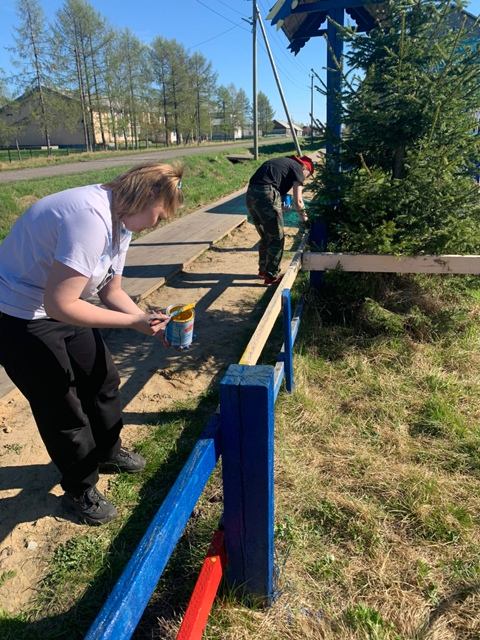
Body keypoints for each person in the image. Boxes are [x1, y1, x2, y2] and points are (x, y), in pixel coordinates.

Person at [0, 162, 184, 525]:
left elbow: (110, 290)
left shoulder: (122, 220)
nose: (157, 223)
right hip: (19, 314)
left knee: (101, 377)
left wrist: (148, 322)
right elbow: (60, 304)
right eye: (159, 215)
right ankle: (80, 487)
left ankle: (107, 450)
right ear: (145, 195)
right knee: (61, 405)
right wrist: (134, 322)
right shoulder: (89, 217)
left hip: (60, 304)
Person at [246, 155, 314, 286]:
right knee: (277, 237)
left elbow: (272, 182)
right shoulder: (298, 168)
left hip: (250, 193)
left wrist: (279, 200)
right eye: (308, 175)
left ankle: (263, 269)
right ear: (305, 167)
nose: (305, 178)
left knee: (266, 235)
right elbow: (298, 201)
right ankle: (271, 276)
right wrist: (306, 223)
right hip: (266, 193)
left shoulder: (283, 163)